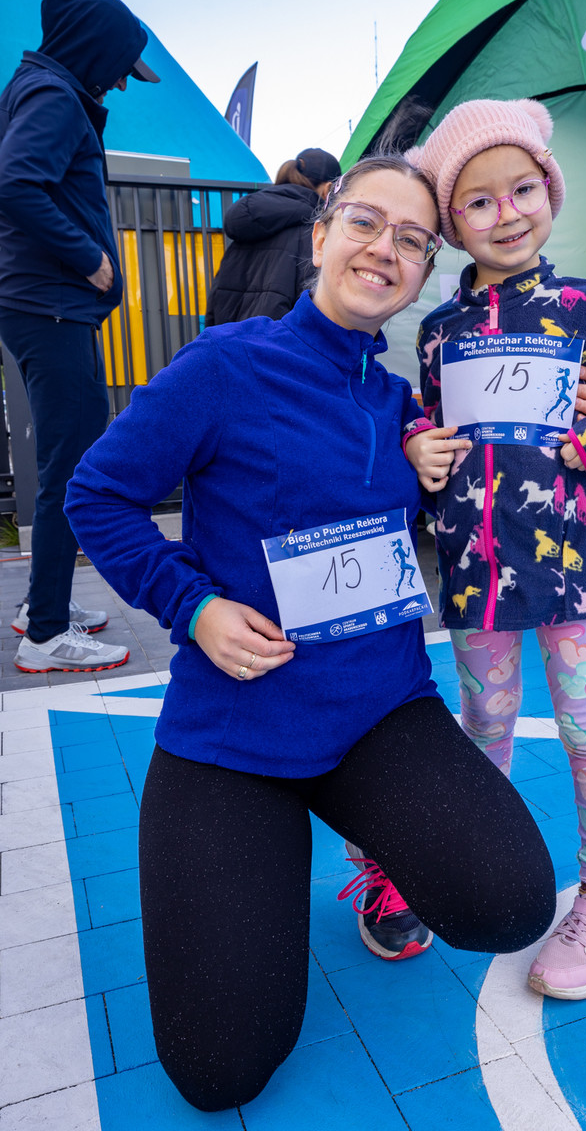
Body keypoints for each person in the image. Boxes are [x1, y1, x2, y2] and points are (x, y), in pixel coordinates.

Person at [64, 153, 557, 1112]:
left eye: (412, 240)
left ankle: (369, 842)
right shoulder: (225, 366)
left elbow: (500, 436)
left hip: (378, 713)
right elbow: (98, 493)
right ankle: (266, 844)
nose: (385, 250)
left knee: (509, 902)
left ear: (423, 271)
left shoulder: (399, 402)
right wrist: (193, 606)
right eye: (366, 223)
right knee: (218, 1070)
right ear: (322, 233)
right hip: (235, 731)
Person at [403, 97, 586, 1001]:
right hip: (474, 573)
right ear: (452, 222)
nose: (507, 212)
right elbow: (429, 427)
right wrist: (419, 449)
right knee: (483, 724)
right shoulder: (438, 333)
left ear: (549, 192)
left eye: (523, 189)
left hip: (574, 572)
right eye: (479, 201)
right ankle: (482, 874)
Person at [0, 0, 160, 671]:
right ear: (94, 49)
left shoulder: (40, 88)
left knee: (69, 459)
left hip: (43, 303)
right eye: (119, 68)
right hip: (52, 304)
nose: (121, 83)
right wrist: (88, 257)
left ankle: (46, 604)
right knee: (73, 465)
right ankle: (44, 636)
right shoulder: (56, 96)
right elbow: (14, 182)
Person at [204, 148, 341, 326]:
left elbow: (218, 294)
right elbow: (313, 305)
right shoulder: (312, 230)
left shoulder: (250, 219)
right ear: (328, 189)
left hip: (229, 337)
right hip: (275, 339)